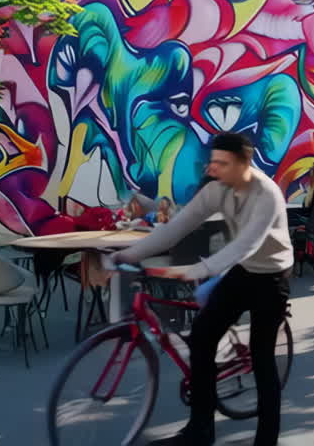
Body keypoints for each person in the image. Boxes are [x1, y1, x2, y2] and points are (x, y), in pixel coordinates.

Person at [113, 133, 293, 446]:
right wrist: (131, 254)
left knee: (262, 361)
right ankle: (200, 430)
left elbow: (247, 244)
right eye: (213, 162)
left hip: (271, 276)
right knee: (202, 338)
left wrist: (204, 269)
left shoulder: (267, 194)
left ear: (243, 163)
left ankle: (266, 441)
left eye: (222, 163)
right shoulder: (217, 190)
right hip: (243, 272)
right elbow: (177, 227)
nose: (213, 169)